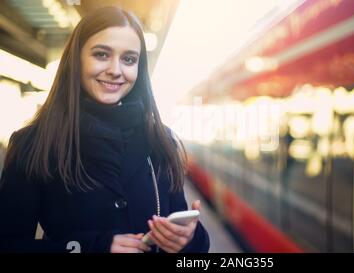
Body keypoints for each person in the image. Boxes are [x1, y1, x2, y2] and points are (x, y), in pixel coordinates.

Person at [0, 6, 209, 253]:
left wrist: (189, 238)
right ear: (76, 59)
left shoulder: (162, 141)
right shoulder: (33, 145)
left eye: (129, 59)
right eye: (101, 54)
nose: (116, 70)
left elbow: (190, 247)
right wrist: (92, 247)